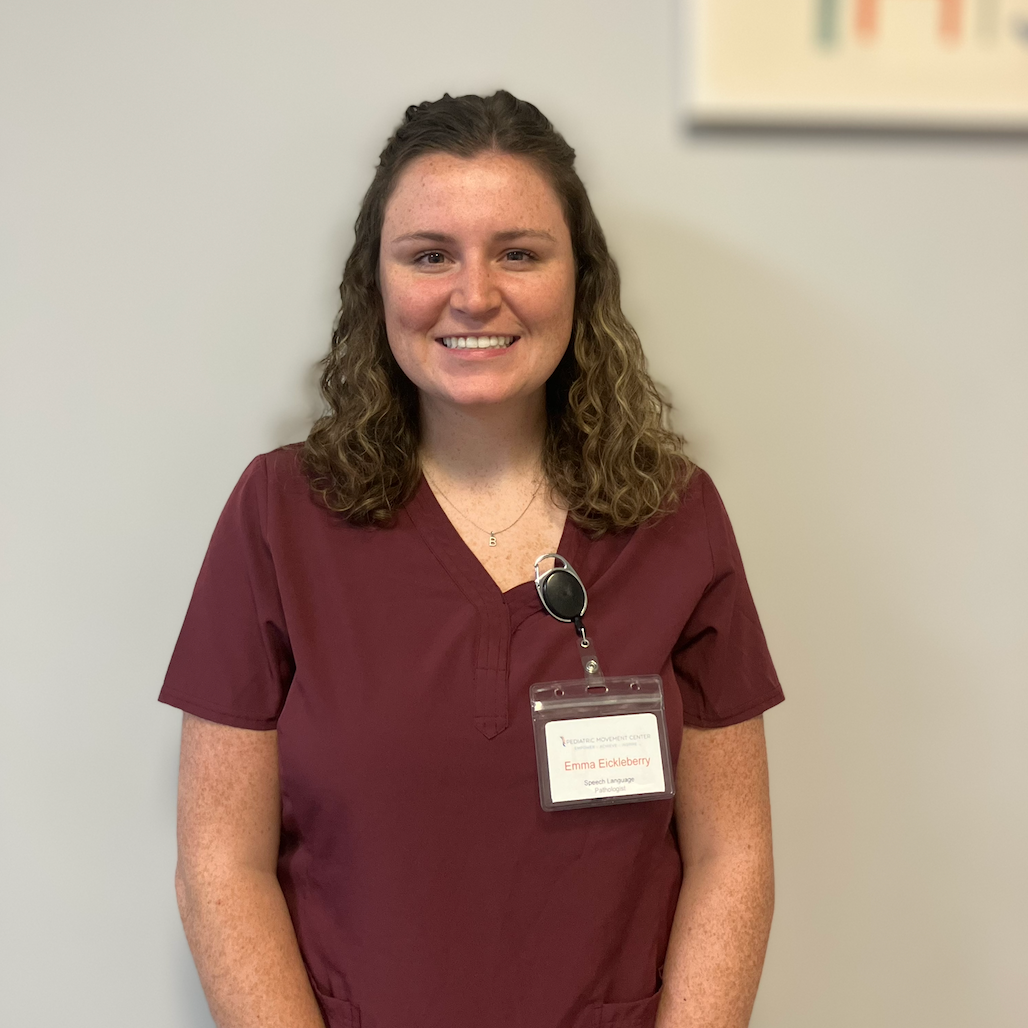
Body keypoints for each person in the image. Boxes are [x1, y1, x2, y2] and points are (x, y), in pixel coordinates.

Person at [161, 90, 784, 1028]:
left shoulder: (675, 516)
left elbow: (732, 856)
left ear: (581, 279)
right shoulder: (279, 515)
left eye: (519, 253)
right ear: (376, 284)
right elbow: (220, 866)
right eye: (430, 255)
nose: (475, 294)